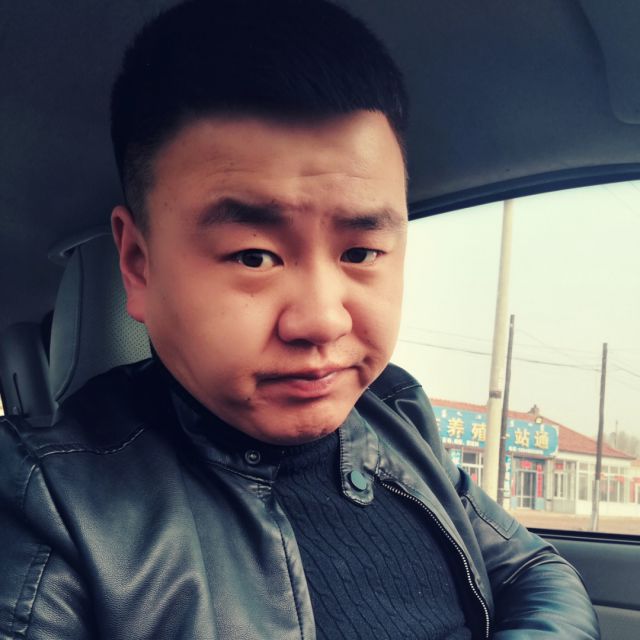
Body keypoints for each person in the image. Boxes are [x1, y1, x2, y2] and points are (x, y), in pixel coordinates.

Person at [0, 1, 600, 638]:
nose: (322, 321)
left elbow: (531, 568)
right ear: (140, 265)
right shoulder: (47, 501)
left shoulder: (395, 413)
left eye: (360, 252)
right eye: (254, 256)